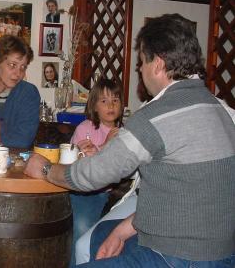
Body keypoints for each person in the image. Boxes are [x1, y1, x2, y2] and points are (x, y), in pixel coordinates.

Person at [25, 14, 235, 267]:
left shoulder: (153, 117)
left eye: (141, 63)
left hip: (174, 256)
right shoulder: (222, 109)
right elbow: (186, 193)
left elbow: (93, 174)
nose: (140, 70)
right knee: (101, 236)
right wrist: (123, 229)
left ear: (157, 64)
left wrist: (45, 169)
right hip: (223, 253)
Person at [68, 78, 124, 267]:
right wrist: (104, 145)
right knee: (82, 228)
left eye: (115, 100)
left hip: (113, 192)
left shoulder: (124, 132)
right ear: (94, 105)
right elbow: (77, 164)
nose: (111, 105)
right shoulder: (85, 128)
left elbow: (122, 165)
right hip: (85, 192)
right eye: (104, 101)